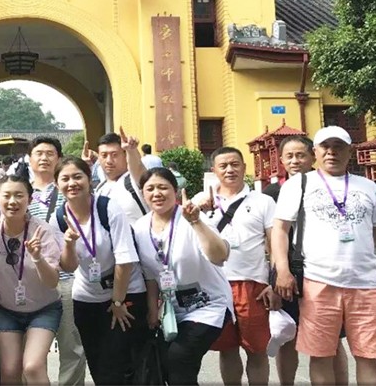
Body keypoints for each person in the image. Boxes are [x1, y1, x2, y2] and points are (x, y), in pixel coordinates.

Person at [272, 126, 376, 386]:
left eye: (338, 147)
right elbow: (280, 229)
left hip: (365, 284)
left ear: (350, 151)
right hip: (317, 283)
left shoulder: (368, 186)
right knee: (321, 356)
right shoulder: (298, 185)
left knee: (369, 356)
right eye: (325, 147)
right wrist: (282, 270)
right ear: (315, 152)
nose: (331, 152)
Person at [49, 156, 147, 385]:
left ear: (89, 179)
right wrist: (69, 243)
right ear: (56, 184)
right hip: (88, 295)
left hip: (126, 289)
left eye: (77, 176)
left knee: (127, 361)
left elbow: (124, 259)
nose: (72, 183)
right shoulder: (58, 219)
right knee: (99, 362)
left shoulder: (107, 207)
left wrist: (118, 301)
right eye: (65, 179)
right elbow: (69, 266)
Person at [134, 167, 233, 385]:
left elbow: (220, 256)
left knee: (179, 357)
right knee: (167, 364)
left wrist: (196, 222)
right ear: (143, 194)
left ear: (176, 191)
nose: (157, 193)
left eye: (163, 187)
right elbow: (150, 276)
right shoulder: (140, 228)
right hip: (173, 310)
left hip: (209, 305)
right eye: (150, 189)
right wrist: (152, 312)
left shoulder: (192, 217)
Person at [264, 135, 348, 385]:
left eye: (300, 155)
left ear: (313, 156)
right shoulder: (272, 192)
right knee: (286, 334)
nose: (295, 161)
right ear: (280, 160)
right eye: (289, 156)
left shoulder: (329, 186)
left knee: (331, 339)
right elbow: (270, 237)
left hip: (323, 271)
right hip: (286, 269)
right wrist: (275, 275)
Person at [200, 146, 280, 386]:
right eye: (223, 166)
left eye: (235, 164)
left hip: (252, 285)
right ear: (214, 170)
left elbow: (274, 244)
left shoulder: (263, 201)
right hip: (216, 285)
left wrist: (274, 282)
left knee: (257, 349)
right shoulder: (200, 202)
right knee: (227, 349)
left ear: (244, 167)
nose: (229, 170)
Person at [0, 173, 62, 385]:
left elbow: (52, 281)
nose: (13, 201)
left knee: (32, 366)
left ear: (29, 199)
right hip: (6, 309)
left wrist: (37, 257)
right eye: (7, 195)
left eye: (19, 195)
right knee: (9, 370)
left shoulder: (42, 231)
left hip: (44, 309)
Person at [25, 136, 86, 385]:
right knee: (30, 351)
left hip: (68, 278)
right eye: (38, 153)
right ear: (29, 159)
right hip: (33, 279)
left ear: (58, 158)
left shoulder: (68, 190)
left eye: (50, 153)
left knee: (72, 346)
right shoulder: (21, 191)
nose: (44, 158)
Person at [82, 129, 148, 225]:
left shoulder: (133, 180)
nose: (109, 160)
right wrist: (84, 168)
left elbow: (137, 167)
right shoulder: (100, 188)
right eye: (104, 155)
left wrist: (131, 150)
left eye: (114, 155)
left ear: (125, 155)